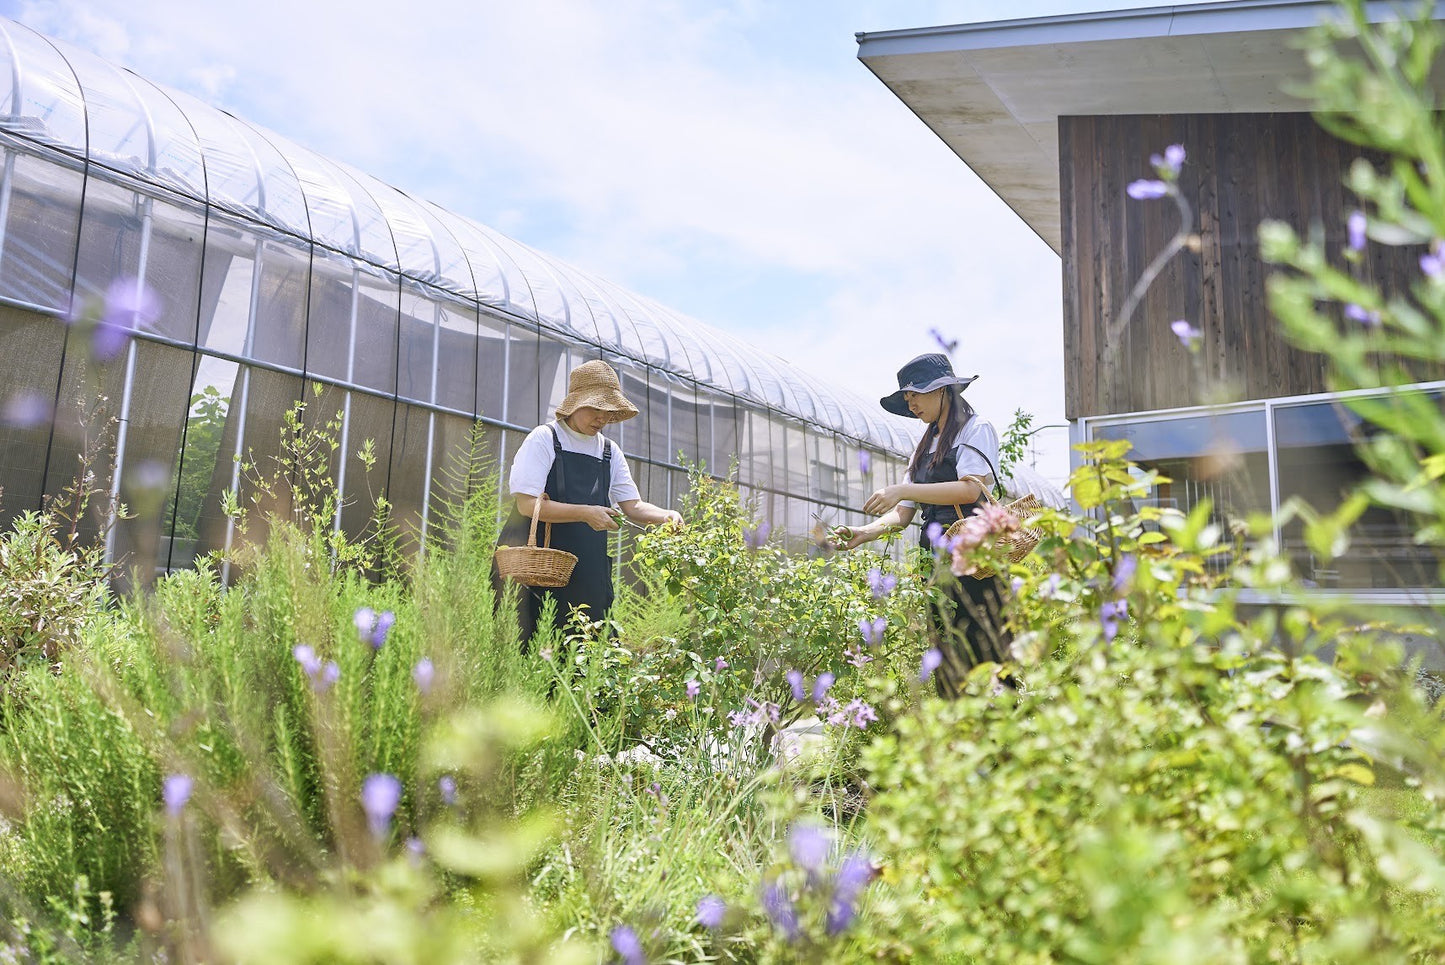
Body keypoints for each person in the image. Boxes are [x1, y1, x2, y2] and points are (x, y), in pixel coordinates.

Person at [837, 352, 1012, 696]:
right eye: (907, 397)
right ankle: (956, 738)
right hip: (935, 562)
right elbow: (904, 513)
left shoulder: (975, 429)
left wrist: (903, 487)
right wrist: (864, 532)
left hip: (977, 560)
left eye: (915, 394)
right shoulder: (924, 445)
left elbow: (970, 488)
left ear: (943, 390)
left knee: (987, 650)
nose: (910, 402)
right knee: (947, 652)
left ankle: (1000, 739)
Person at [507, 359, 683, 638]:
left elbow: (633, 506)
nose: (602, 418)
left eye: (608, 410)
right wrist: (586, 513)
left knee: (586, 650)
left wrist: (667, 515)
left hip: (587, 571)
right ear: (575, 402)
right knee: (534, 646)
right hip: (538, 569)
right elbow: (527, 504)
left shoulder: (609, 452)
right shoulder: (545, 438)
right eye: (595, 408)